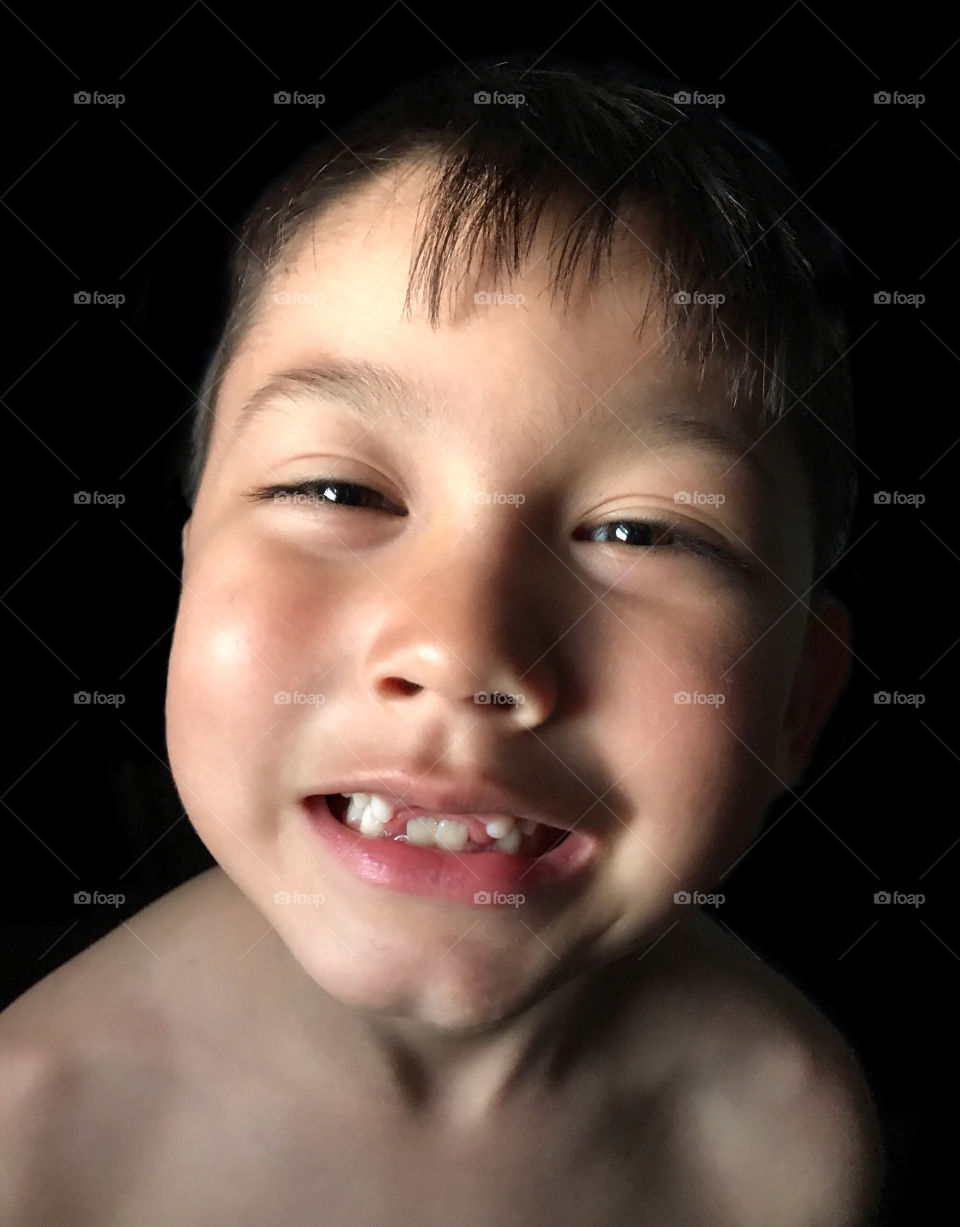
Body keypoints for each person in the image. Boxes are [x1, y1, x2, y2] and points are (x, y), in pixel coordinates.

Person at [0, 59, 884, 1225]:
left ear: (796, 706)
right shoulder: (34, 1130)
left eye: (639, 530)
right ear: (186, 580)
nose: (465, 651)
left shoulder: (784, 1138)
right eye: (338, 491)